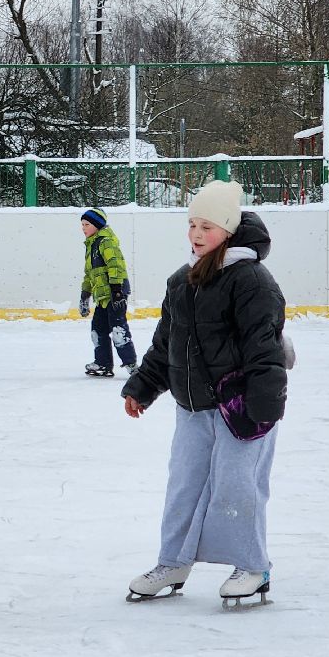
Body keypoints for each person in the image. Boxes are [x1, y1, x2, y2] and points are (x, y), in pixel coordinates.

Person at [120, 179, 288, 607]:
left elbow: (264, 349)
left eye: (207, 226)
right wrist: (143, 386)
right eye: (192, 224)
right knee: (184, 487)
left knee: (237, 487)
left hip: (240, 408)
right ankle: (173, 561)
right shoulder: (182, 282)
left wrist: (264, 408)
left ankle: (253, 566)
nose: (196, 234)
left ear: (229, 231)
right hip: (192, 406)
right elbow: (166, 345)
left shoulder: (251, 281)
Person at [78, 208, 137, 378]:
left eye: (87, 224)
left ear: (97, 225)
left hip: (115, 293)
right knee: (98, 330)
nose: (83, 228)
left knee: (118, 329)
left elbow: (115, 265)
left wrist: (117, 291)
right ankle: (103, 364)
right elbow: (89, 274)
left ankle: (132, 366)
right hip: (103, 297)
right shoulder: (91, 245)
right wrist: (85, 295)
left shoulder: (106, 241)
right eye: (82, 225)